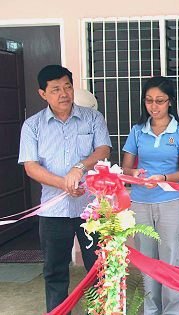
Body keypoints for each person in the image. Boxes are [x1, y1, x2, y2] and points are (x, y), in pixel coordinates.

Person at [18, 64, 111, 311]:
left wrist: (79, 168)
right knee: (55, 272)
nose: (64, 94)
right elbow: (31, 166)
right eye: (56, 89)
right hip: (53, 212)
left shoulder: (93, 117)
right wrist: (64, 184)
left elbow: (103, 150)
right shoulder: (32, 126)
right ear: (42, 94)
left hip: (90, 209)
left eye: (67, 87)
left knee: (99, 270)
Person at [121, 76, 179, 315]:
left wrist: (162, 179)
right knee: (147, 264)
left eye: (160, 101)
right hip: (141, 203)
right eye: (149, 100)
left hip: (171, 203)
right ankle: (151, 311)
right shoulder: (137, 131)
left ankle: (173, 312)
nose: (154, 106)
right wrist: (135, 173)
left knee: (171, 262)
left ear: (170, 102)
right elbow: (125, 168)